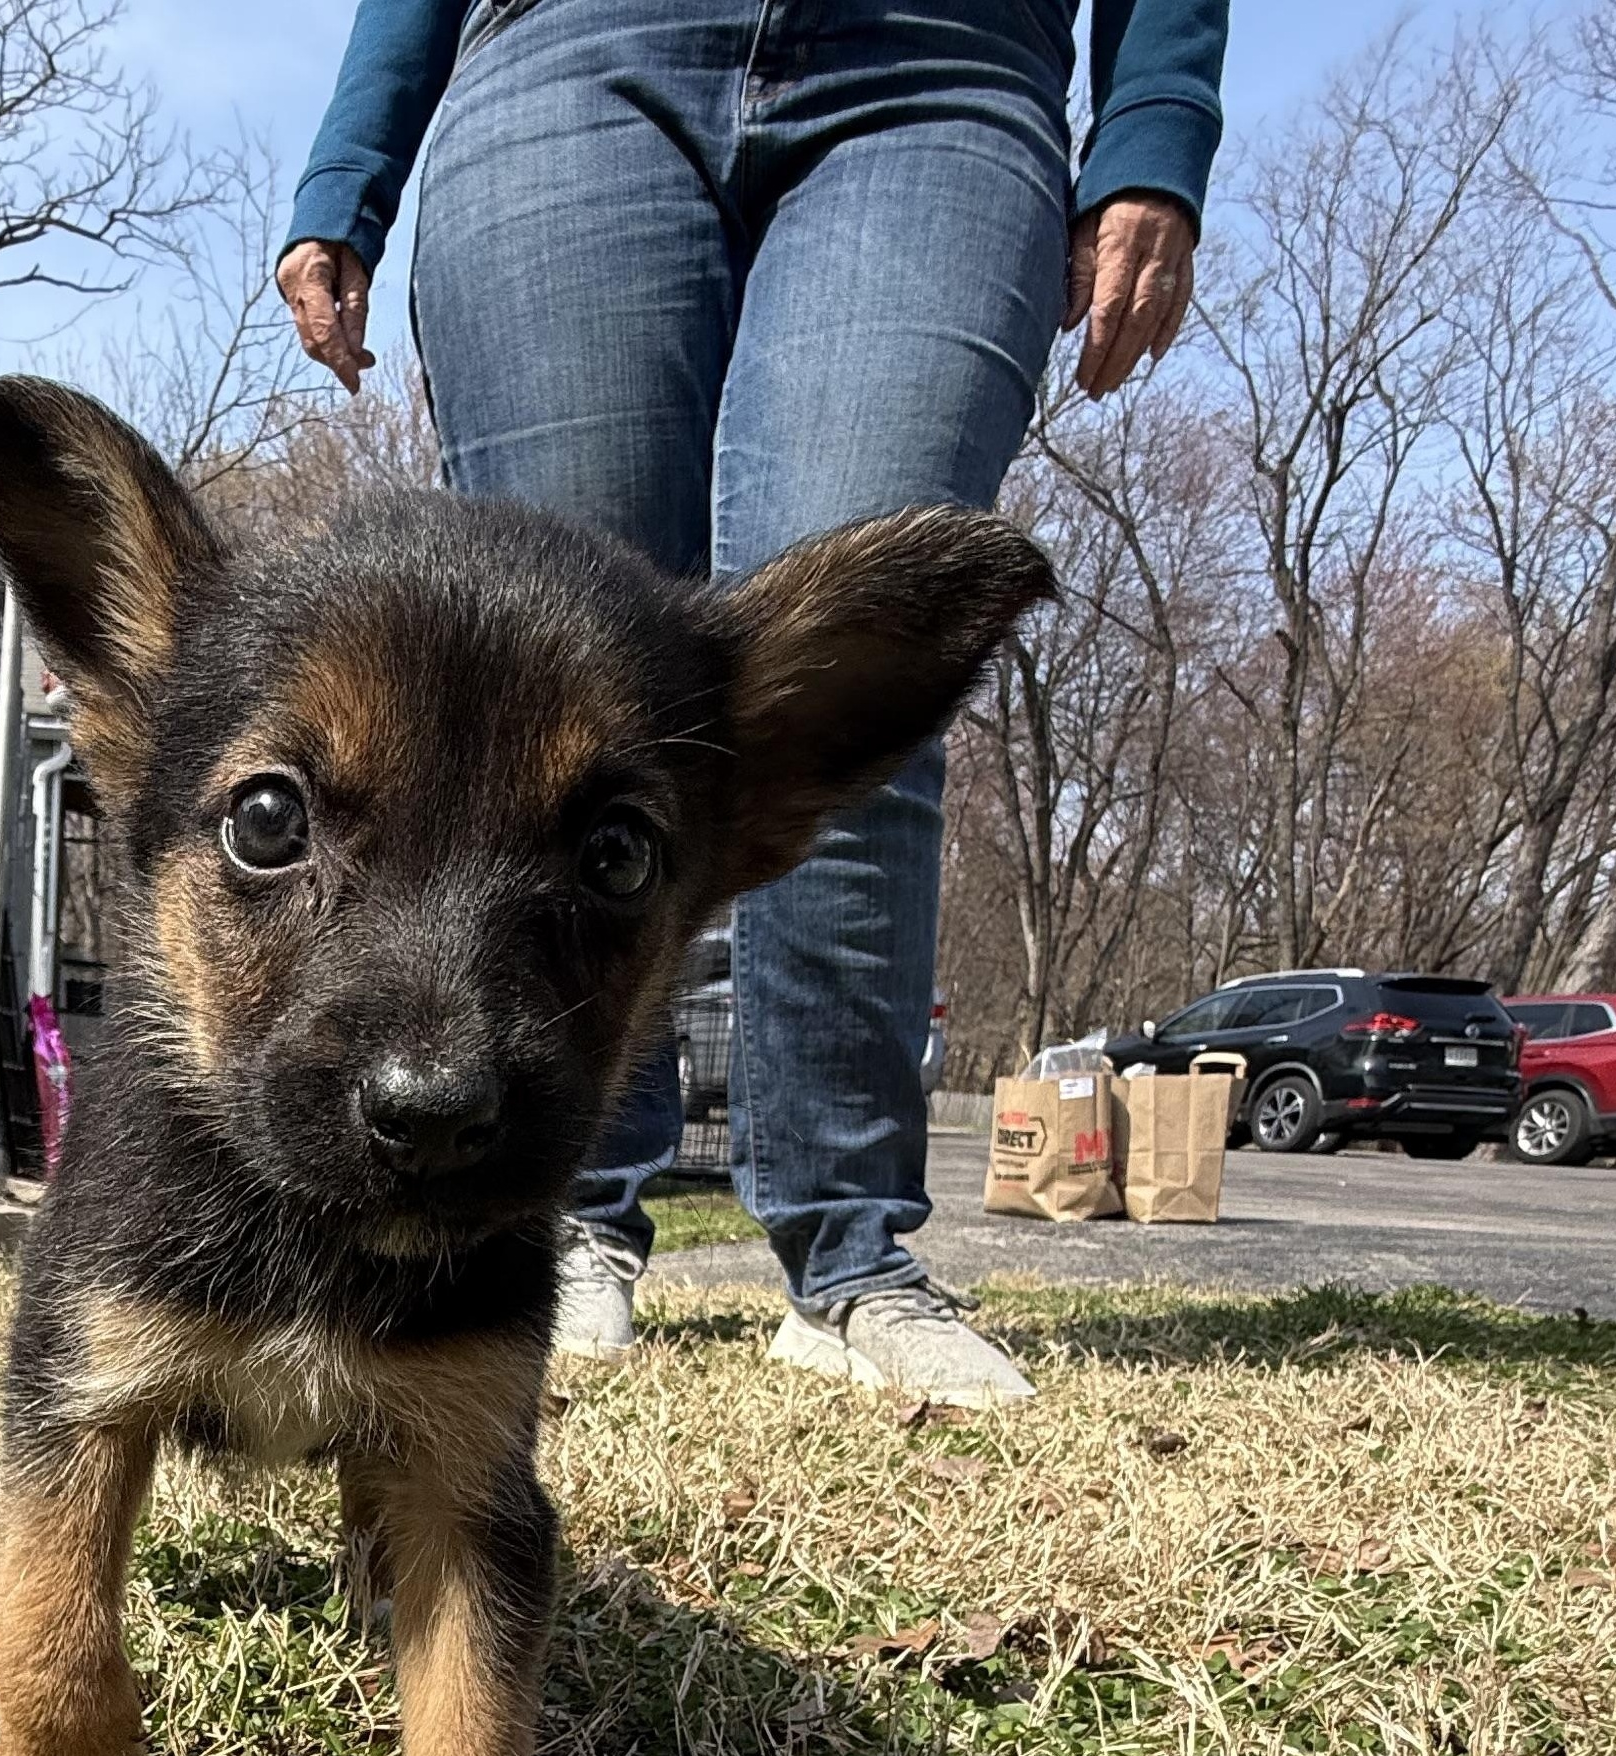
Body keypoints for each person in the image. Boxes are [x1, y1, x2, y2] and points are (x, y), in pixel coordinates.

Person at [279, 0, 1224, 1406]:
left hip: (943, 63)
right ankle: (561, 1221)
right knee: (534, 707)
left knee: (836, 702)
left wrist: (1152, 125)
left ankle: (848, 1258)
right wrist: (346, 173)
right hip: (569, 49)